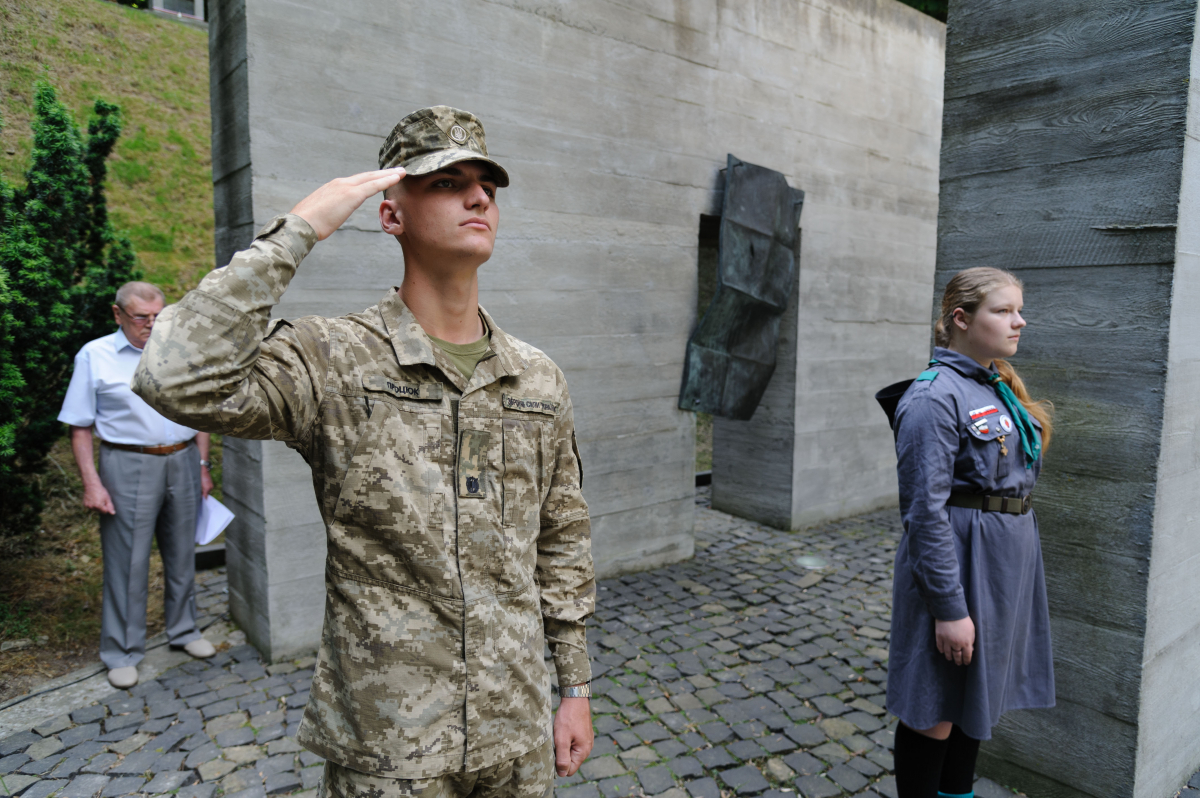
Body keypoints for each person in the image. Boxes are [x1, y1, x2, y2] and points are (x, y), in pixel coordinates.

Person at [131, 106, 595, 797]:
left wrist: (574, 685)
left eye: (487, 187)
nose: (477, 198)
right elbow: (175, 376)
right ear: (390, 215)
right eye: (445, 182)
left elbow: (560, 539)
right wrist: (300, 229)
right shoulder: (333, 359)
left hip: (517, 730)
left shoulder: (536, 378)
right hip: (390, 746)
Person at [886, 267, 1055, 798]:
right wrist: (949, 609)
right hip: (959, 565)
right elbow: (924, 512)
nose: (1019, 321)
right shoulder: (934, 398)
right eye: (1003, 311)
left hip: (1003, 567)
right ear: (961, 319)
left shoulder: (994, 385)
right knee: (935, 706)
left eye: (1019, 309)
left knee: (972, 699)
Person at [58, 281, 218, 689]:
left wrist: (202, 465)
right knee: (127, 562)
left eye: (159, 316)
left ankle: (183, 630)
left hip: (182, 459)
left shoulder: (179, 350)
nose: (151, 324)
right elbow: (79, 427)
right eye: (141, 317)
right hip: (127, 463)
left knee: (182, 553)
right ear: (118, 314)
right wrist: (92, 483)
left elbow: (198, 412)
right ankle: (122, 651)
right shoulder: (95, 356)